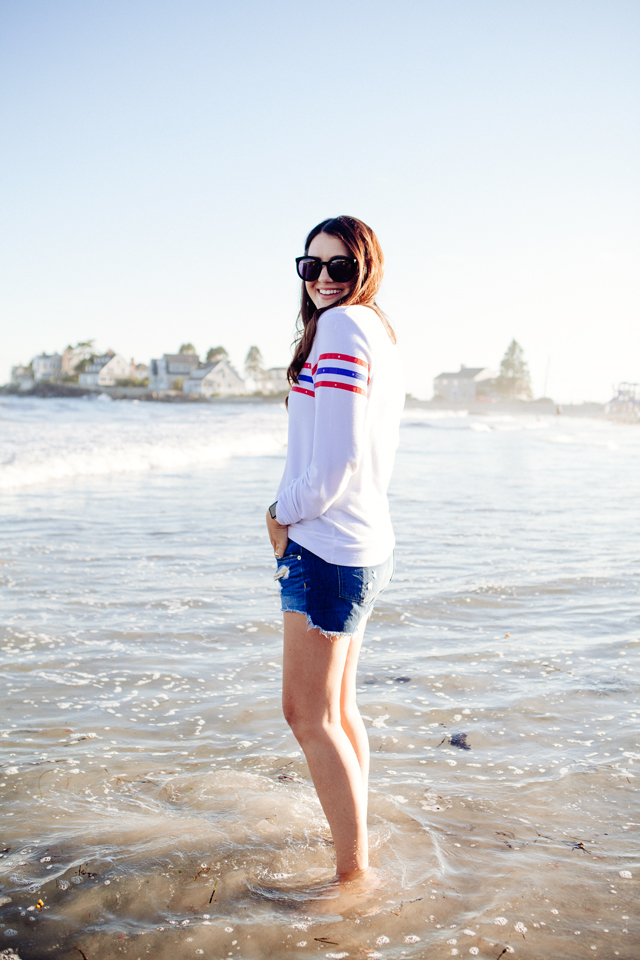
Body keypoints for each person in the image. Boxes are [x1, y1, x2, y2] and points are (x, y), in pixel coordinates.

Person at [266, 215, 404, 881]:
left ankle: (353, 876)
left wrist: (279, 514)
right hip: (361, 542)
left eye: (339, 267)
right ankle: (356, 851)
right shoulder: (372, 328)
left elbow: (335, 464)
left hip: (327, 545)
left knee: (307, 715)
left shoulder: (346, 328)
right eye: (310, 265)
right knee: (339, 710)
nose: (322, 278)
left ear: (365, 270)